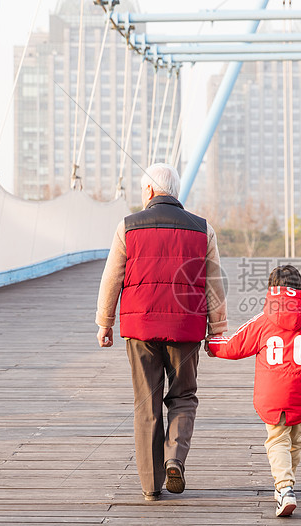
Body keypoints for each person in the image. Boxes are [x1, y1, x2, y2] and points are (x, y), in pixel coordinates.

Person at [95, 163, 227, 501]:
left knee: (146, 403)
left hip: (140, 329)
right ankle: (174, 459)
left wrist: (105, 322)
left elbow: (112, 278)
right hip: (187, 327)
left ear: (150, 191)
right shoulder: (203, 229)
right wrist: (218, 331)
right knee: (183, 397)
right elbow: (215, 285)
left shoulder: (128, 227)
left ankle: (151, 486)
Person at [206, 265, 301, 517]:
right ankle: (286, 484)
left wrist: (213, 346)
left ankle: (284, 487)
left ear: (271, 290)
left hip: (273, 395)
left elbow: (235, 345)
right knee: (294, 440)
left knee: (277, 439)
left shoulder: (263, 321)